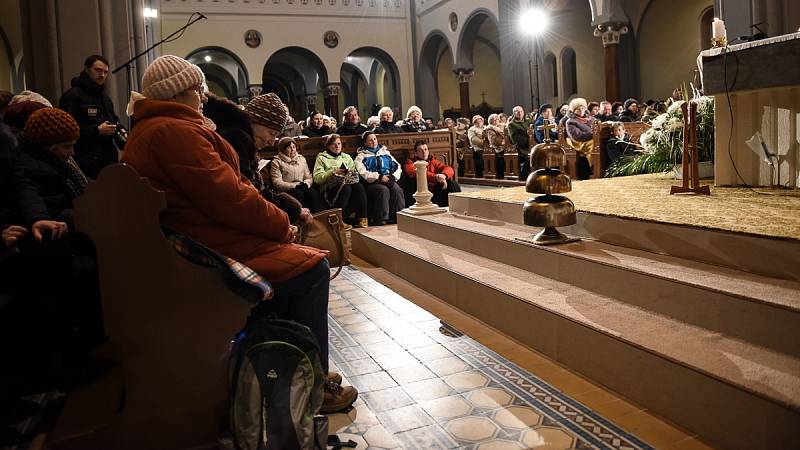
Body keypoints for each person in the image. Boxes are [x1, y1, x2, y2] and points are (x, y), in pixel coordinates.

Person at [121, 55, 357, 412]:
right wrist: (279, 224)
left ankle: (290, 366)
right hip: (205, 251)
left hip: (196, 239)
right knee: (311, 271)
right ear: (177, 93)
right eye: (197, 89)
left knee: (302, 264)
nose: (203, 96)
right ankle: (311, 382)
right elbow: (230, 197)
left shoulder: (161, 128)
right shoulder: (173, 132)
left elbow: (229, 192)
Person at [58, 55, 123, 179]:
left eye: (105, 72)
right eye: (98, 70)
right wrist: (96, 131)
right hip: (85, 159)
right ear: (87, 69)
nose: (102, 75)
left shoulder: (104, 98)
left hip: (107, 158)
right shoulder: (72, 96)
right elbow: (66, 131)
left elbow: (113, 120)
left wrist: (121, 132)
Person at [313, 134, 368, 228]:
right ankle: (338, 220)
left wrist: (349, 173)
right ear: (328, 146)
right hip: (329, 187)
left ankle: (363, 218)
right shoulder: (322, 158)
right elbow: (318, 178)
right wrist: (333, 172)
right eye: (334, 144)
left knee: (358, 186)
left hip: (347, 182)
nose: (337, 146)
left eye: (339, 144)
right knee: (346, 188)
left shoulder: (346, 157)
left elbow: (354, 172)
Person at [354, 131, 404, 225]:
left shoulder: (385, 152)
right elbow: (363, 173)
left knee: (397, 189)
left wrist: (392, 176)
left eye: (375, 139)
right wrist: (379, 177)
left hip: (388, 179)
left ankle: (399, 216)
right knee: (383, 190)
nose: (373, 142)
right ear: (365, 143)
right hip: (372, 183)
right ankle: (381, 218)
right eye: (370, 140)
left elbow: (397, 166)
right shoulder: (361, 156)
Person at [270, 137, 323, 212]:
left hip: (302, 186)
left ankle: (317, 216)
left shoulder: (301, 159)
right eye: (289, 147)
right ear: (283, 149)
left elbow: (308, 177)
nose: (292, 149)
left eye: (294, 147)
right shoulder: (276, 162)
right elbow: (277, 182)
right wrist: (296, 185)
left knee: (313, 193)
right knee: (298, 193)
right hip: (287, 190)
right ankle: (304, 216)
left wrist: (306, 183)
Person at [402, 140, 460, 207]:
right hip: (419, 191)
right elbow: (415, 173)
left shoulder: (432, 161)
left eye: (425, 149)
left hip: (434, 190)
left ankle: (458, 206)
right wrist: (436, 177)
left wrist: (444, 175)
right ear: (416, 153)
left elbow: (449, 169)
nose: (424, 152)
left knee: (452, 183)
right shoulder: (410, 162)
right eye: (420, 150)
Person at [565, 97, 595, 180]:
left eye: (582, 108)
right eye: (578, 109)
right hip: (578, 142)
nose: (581, 110)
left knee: (600, 143)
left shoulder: (591, 119)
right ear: (573, 110)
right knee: (594, 145)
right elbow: (577, 135)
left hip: (591, 139)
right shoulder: (571, 121)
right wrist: (593, 134)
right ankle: (593, 167)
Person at [507, 105, 532, 180]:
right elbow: (516, 139)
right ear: (513, 113)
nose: (519, 113)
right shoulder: (512, 124)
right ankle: (523, 176)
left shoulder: (529, 121)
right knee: (529, 157)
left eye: (521, 111)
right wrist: (530, 141)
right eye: (517, 112)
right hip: (521, 147)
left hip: (532, 145)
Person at [484, 114, 505, 179]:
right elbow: (494, 141)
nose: (497, 121)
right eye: (494, 120)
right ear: (490, 121)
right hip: (496, 148)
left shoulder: (501, 127)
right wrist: (503, 138)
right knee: (500, 162)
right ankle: (500, 177)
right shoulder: (490, 129)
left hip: (504, 147)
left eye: (498, 119)